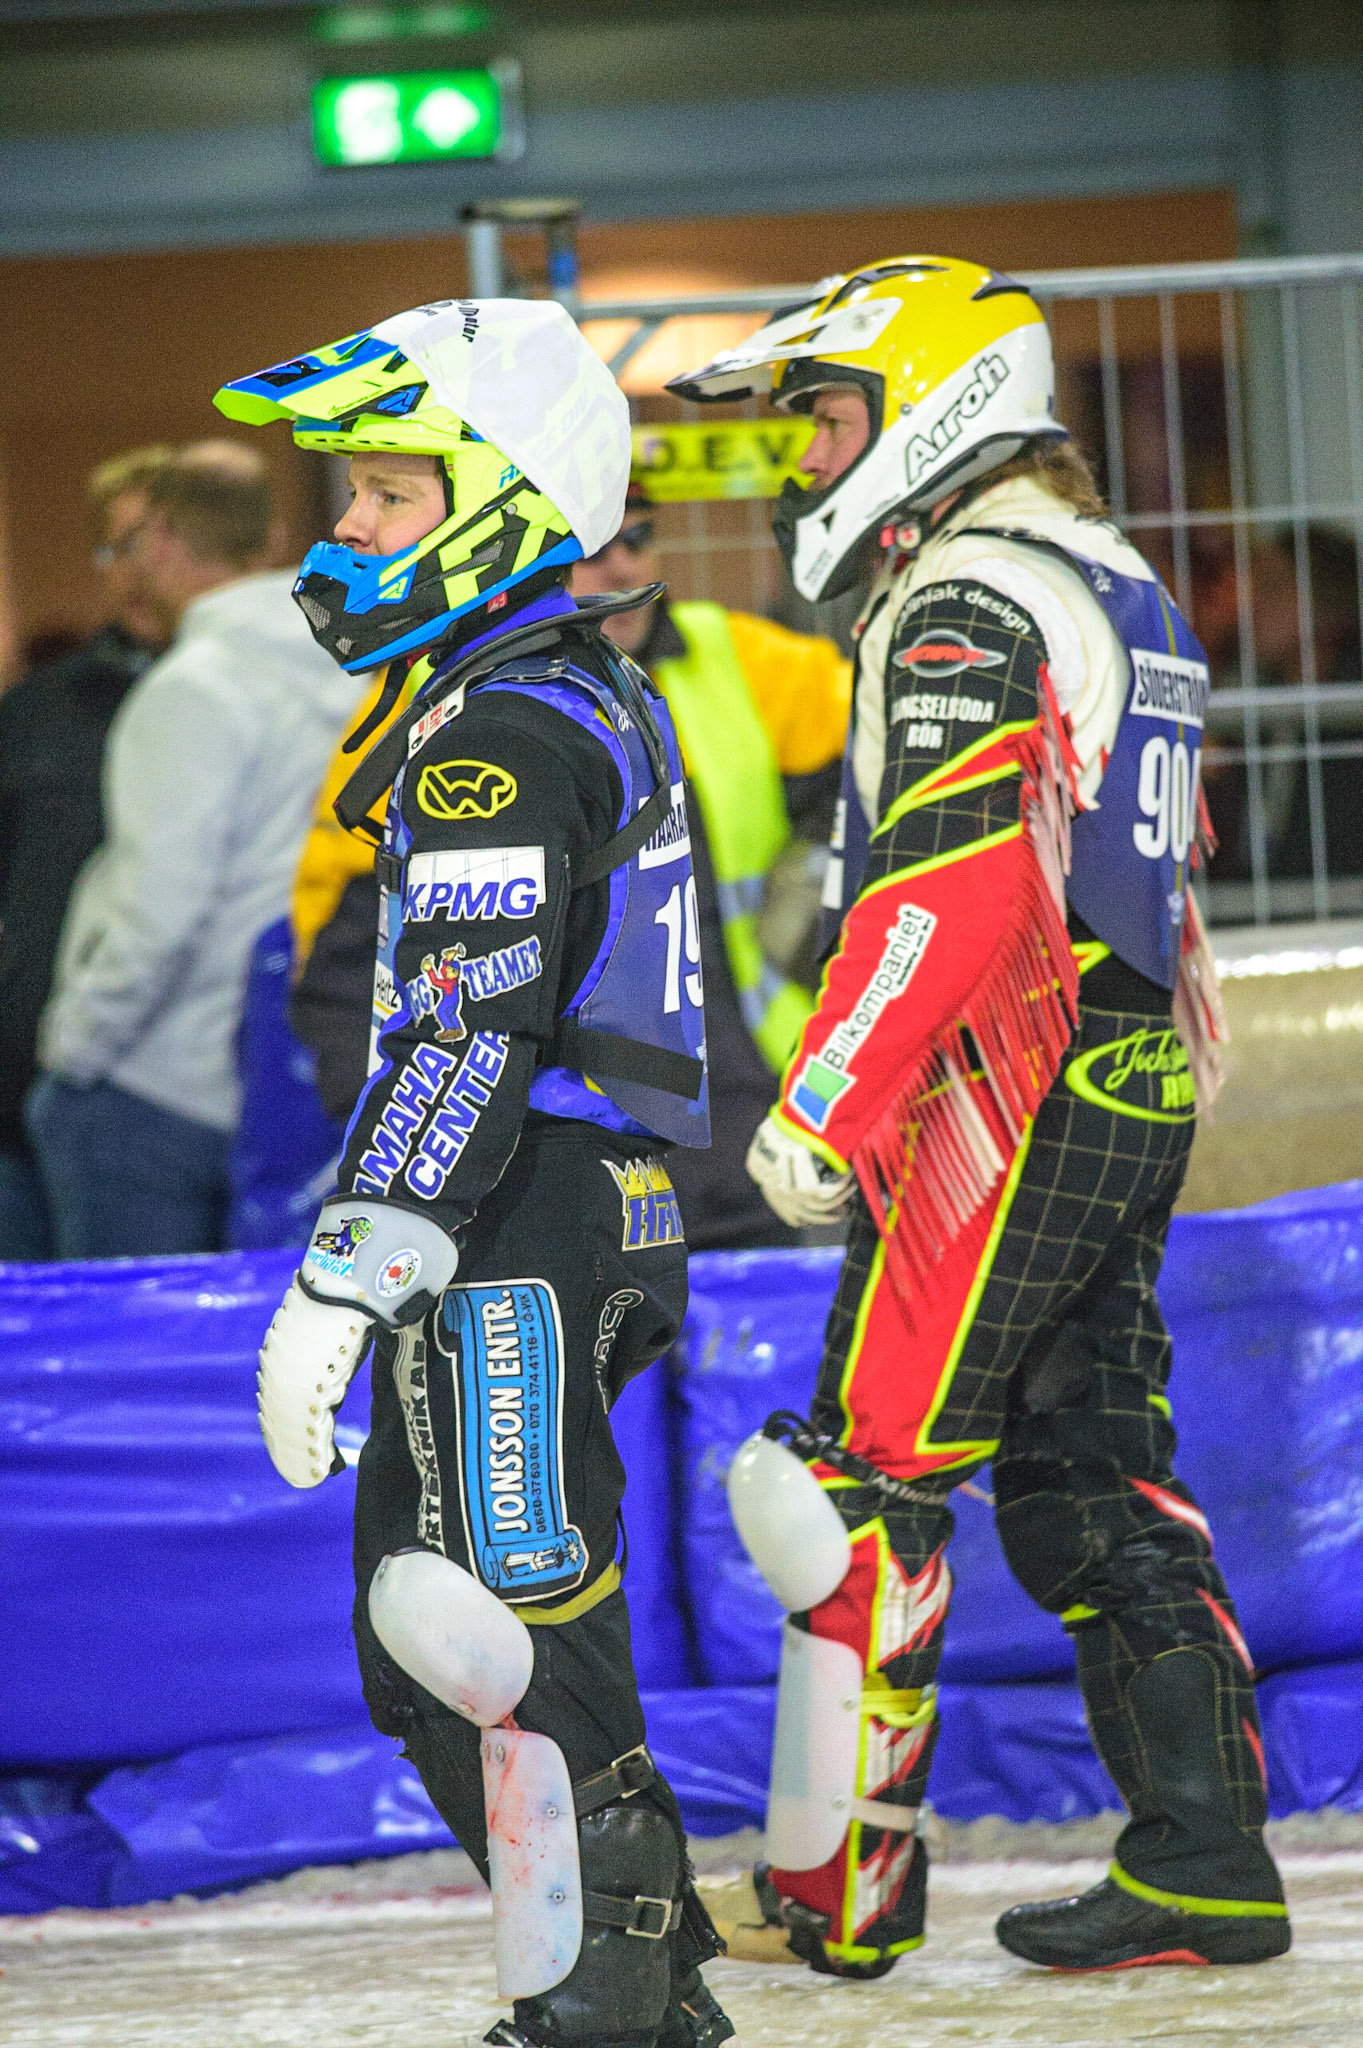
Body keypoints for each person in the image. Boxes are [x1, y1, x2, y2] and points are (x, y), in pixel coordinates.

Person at [671, 257, 1288, 1976]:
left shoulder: (965, 591)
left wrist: (825, 1098)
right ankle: (1202, 1865)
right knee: (1093, 1470)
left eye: (824, 416)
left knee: (849, 1479)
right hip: (1123, 1063)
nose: (803, 454)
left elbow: (952, 890)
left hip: (1001, 1082)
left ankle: (834, 1898)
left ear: (931, 406)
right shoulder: (1107, 568)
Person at [216, 297, 732, 2048]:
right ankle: (648, 1984)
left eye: (386, 492)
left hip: (517, 1210)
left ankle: (600, 1999)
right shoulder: (547, 685)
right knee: (453, 1631)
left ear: (504, 498)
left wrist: (340, 1283)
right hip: (566, 1200)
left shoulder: (495, 733)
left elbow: (461, 1040)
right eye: (349, 492)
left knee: (499, 1627)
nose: (346, 529)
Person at [288, 482, 850, 1252]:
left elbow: (900, 791)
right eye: (590, 549)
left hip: (744, 1140)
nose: (621, 568)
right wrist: (408, 1160)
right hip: (544, 1177)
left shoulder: (748, 664)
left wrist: (814, 921)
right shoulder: (436, 705)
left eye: (638, 539)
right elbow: (347, 960)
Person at [28, 443, 359, 1257]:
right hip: (291, 1075)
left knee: (129, 1335)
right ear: (268, 538)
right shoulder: (353, 672)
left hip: (157, 1084)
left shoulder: (191, 688)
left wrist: (76, 1052)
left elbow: (158, 912)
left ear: (162, 538)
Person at [0, 446, 173, 1259]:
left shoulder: (268, 701)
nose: (137, 569)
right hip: (28, 1083)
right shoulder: (37, 710)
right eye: (118, 546)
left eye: (157, 541)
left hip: (186, 1093)